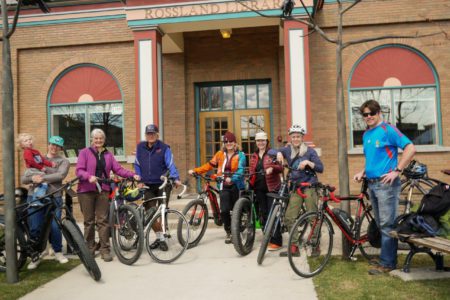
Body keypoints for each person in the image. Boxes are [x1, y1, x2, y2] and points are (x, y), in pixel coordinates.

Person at [354, 99, 415, 275]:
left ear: (379, 112)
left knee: (388, 225)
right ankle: (385, 258)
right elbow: (373, 159)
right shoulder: (367, 134)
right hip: (372, 184)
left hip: (386, 185)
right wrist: (363, 172)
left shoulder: (388, 130)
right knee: (381, 225)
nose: (368, 117)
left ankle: (388, 263)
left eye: (372, 113)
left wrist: (397, 170)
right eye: (365, 114)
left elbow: (410, 148)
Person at [76, 128, 140, 262]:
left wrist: (132, 174)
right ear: (92, 139)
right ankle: (90, 249)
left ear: (104, 140)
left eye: (101, 138)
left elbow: (118, 169)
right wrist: (88, 177)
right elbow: (79, 171)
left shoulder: (108, 155)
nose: (98, 140)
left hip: (103, 190)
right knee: (89, 221)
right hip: (86, 190)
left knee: (103, 221)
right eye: (96, 138)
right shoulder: (84, 153)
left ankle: (105, 249)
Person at [272, 124, 324, 257]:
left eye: (298, 136)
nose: (296, 138)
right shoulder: (287, 150)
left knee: (313, 217)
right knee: (289, 217)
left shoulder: (309, 151)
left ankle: (315, 244)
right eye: (293, 136)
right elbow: (269, 151)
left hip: (309, 187)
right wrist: (278, 153)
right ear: (290, 138)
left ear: (302, 137)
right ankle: (294, 246)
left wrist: (308, 163)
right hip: (296, 188)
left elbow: (320, 168)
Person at [188, 131, 246, 244]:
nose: (229, 143)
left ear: (235, 143)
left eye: (231, 141)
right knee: (224, 210)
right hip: (223, 185)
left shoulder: (241, 155)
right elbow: (209, 165)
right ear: (224, 143)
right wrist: (195, 170)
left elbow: (241, 170)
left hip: (236, 185)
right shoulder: (220, 154)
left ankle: (237, 231)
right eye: (226, 142)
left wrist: (232, 178)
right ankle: (229, 232)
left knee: (236, 210)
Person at [21, 136, 69, 269]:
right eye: (52, 144)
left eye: (57, 146)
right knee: (35, 227)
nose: (54, 147)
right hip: (35, 197)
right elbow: (24, 178)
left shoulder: (63, 161)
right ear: (48, 145)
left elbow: (60, 176)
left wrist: (40, 178)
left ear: (60, 148)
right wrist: (33, 178)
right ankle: (36, 255)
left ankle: (58, 252)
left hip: (54, 197)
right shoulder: (36, 157)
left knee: (55, 226)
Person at [134, 124, 182, 251]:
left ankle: (162, 237)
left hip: (162, 184)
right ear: (145, 135)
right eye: (148, 134)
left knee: (162, 211)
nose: (151, 136)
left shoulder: (164, 148)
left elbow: (170, 164)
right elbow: (137, 164)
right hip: (147, 184)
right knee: (151, 212)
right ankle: (160, 238)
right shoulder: (140, 147)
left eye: (153, 133)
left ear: (157, 135)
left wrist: (175, 177)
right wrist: (138, 177)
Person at [248, 131, 283, 250]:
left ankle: (277, 241)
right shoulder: (254, 156)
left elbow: (281, 167)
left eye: (263, 140)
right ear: (256, 142)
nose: (260, 143)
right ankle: (267, 236)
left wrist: (272, 168)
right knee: (263, 213)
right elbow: (252, 171)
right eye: (258, 141)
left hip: (272, 188)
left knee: (272, 213)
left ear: (266, 141)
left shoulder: (272, 153)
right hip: (258, 189)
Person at [17, 133, 56, 204]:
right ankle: (39, 196)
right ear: (22, 145)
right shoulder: (27, 152)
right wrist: (41, 168)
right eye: (26, 141)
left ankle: (39, 196)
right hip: (32, 170)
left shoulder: (36, 151)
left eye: (30, 139)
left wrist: (51, 164)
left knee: (40, 182)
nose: (29, 141)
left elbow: (43, 160)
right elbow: (31, 162)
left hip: (37, 169)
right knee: (44, 179)